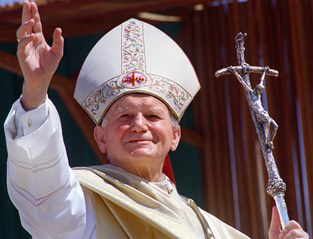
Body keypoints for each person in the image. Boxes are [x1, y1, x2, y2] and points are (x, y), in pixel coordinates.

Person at [4, 1, 308, 238]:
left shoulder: (207, 227)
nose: (139, 124)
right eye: (124, 116)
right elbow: (43, 195)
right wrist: (35, 89)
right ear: (100, 137)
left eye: (152, 115)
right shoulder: (85, 202)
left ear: (175, 135)